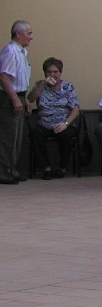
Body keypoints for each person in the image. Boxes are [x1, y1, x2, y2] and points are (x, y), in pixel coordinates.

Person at [27, 57, 80, 180]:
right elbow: (30, 99)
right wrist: (43, 84)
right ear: (45, 73)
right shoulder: (39, 85)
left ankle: (62, 167)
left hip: (63, 122)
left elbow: (75, 109)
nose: (52, 74)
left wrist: (65, 123)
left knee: (66, 136)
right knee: (36, 135)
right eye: (49, 72)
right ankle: (46, 168)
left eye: (55, 72)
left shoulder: (67, 86)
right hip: (45, 123)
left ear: (60, 73)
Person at [0, 20, 33, 184]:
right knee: (8, 137)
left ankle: (12, 170)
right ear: (18, 33)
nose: (31, 37)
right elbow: (4, 77)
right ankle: (4, 172)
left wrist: (24, 99)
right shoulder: (11, 51)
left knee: (16, 138)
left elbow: (20, 80)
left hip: (19, 95)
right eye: (28, 33)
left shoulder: (21, 52)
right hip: (9, 98)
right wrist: (14, 99)